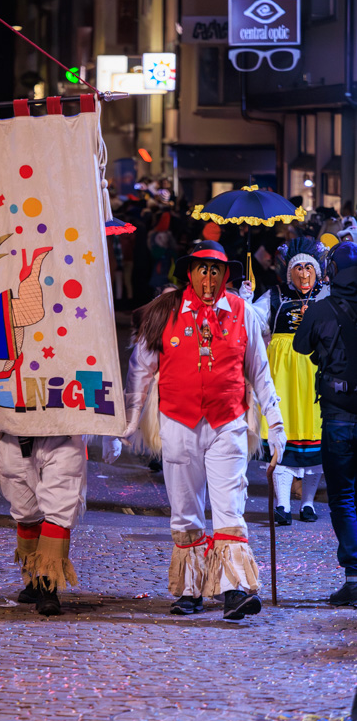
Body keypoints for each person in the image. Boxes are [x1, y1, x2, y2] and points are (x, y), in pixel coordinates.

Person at [104, 241, 286, 620]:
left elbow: (260, 370)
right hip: (179, 421)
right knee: (185, 509)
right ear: (189, 273)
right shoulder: (163, 314)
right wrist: (125, 427)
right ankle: (190, 590)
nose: (208, 278)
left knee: (229, 505)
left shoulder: (242, 313)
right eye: (201, 269)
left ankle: (235, 590)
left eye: (215, 270)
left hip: (228, 422)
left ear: (225, 275)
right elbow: (141, 371)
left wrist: (276, 421)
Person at [243, 237, 328, 524]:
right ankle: (282, 504)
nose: (304, 274)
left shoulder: (326, 297)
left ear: (318, 271)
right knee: (282, 436)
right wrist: (245, 301)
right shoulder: (275, 296)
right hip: (282, 375)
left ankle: (307, 503)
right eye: (298, 268)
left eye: (309, 269)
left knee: (316, 440)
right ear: (288, 272)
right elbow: (253, 321)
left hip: (315, 375)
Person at [294, 241, 357, 606]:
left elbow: (302, 348)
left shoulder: (320, 309)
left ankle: (353, 577)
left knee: (343, 498)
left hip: (337, 416)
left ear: (330, 272)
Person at [0, 433, 86, 616]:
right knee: (25, 512)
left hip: (64, 437)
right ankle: (34, 579)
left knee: (60, 510)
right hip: (14, 437)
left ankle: (48, 586)